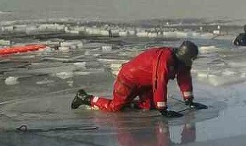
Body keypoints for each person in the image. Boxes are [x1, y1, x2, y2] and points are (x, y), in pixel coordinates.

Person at [71, 40, 207, 117]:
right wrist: (163, 109)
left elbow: (184, 79)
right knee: (115, 107)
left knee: (150, 107)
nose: (192, 61)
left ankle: (128, 103)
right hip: (128, 79)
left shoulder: (182, 62)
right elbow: (159, 83)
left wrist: (189, 100)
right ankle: (85, 98)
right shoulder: (165, 59)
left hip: (144, 83)